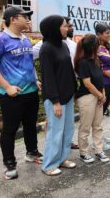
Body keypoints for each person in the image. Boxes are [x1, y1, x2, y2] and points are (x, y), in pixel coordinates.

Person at [0, 6, 43, 180]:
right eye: (24, 16)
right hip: (12, 95)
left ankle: (32, 152)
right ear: (12, 19)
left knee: (30, 125)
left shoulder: (25, 39)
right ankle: (9, 163)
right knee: (10, 130)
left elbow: (29, 63)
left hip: (31, 92)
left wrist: (35, 80)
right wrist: (8, 86)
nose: (28, 20)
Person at [33, 16, 79, 150]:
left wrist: (74, 89)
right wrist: (55, 101)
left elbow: (70, 70)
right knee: (56, 131)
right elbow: (49, 77)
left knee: (68, 129)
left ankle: (62, 158)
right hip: (56, 96)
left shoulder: (64, 45)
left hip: (68, 93)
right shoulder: (46, 48)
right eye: (64, 26)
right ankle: (50, 164)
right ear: (54, 29)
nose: (68, 28)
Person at [74, 34, 110, 164]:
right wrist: (99, 95)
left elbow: (100, 79)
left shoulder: (96, 60)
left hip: (98, 95)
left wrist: (103, 93)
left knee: (97, 125)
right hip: (87, 98)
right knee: (85, 127)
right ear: (93, 47)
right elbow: (87, 84)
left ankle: (98, 150)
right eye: (98, 44)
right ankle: (84, 152)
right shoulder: (83, 62)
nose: (100, 47)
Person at [95, 23, 110, 117]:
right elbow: (91, 65)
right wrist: (104, 71)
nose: (109, 35)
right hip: (100, 81)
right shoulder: (94, 47)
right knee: (99, 110)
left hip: (109, 81)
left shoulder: (108, 47)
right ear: (99, 34)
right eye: (107, 33)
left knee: (104, 106)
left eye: (109, 33)